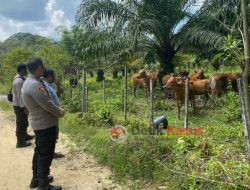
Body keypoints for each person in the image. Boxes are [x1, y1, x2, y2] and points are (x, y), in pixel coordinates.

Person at [22, 58, 64, 190]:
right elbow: (48, 104)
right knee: (45, 154)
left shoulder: (31, 82)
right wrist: (60, 112)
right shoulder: (34, 85)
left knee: (40, 152)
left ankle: (37, 178)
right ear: (39, 67)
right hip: (45, 125)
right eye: (43, 66)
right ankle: (43, 184)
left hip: (40, 124)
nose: (44, 68)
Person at [43, 68, 64, 158]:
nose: (54, 78)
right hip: (51, 112)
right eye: (53, 76)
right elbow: (48, 102)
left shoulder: (50, 86)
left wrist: (59, 87)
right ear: (49, 76)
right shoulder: (45, 86)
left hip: (55, 112)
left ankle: (51, 152)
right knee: (52, 134)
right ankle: (50, 153)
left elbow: (57, 96)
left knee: (54, 133)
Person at [12, 64, 34, 148]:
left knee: (24, 122)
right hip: (20, 106)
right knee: (21, 123)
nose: (26, 71)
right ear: (22, 70)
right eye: (25, 70)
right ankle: (20, 142)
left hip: (19, 105)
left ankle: (24, 136)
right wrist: (24, 107)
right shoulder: (19, 81)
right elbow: (20, 95)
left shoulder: (20, 79)